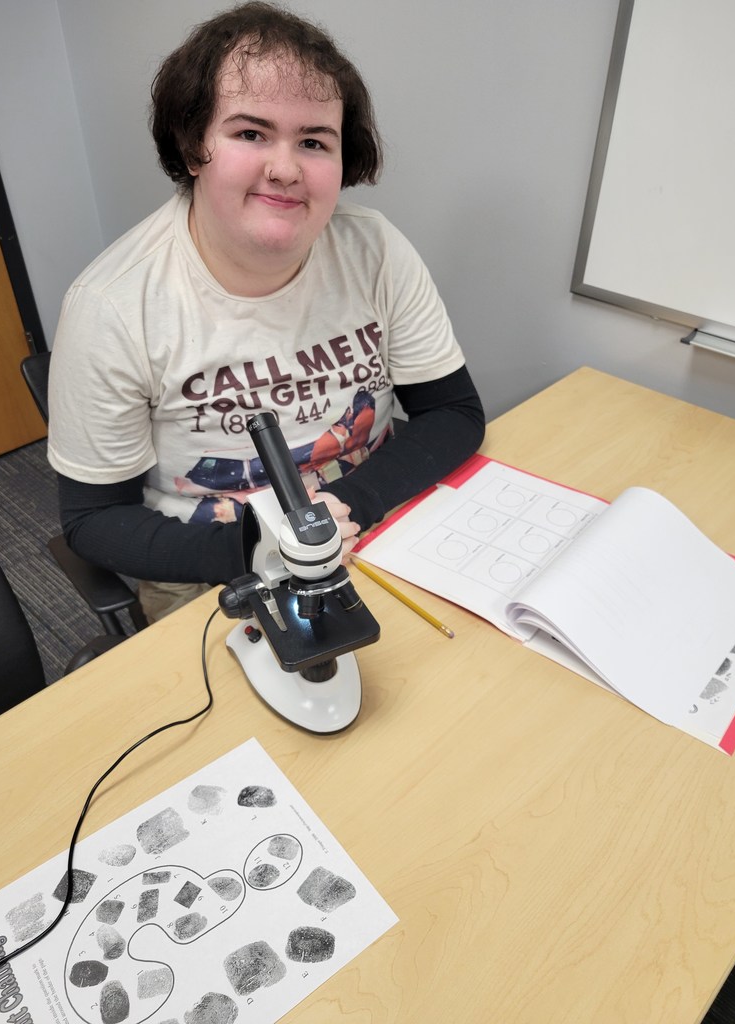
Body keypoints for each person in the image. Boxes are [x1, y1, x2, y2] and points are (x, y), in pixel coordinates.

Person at [47, 1, 485, 622]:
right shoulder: (112, 307)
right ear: (194, 144)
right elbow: (94, 521)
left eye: (313, 141)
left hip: (376, 524)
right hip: (215, 566)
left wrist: (351, 507)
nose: (285, 168)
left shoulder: (375, 249)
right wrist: (256, 546)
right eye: (250, 133)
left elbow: (453, 412)